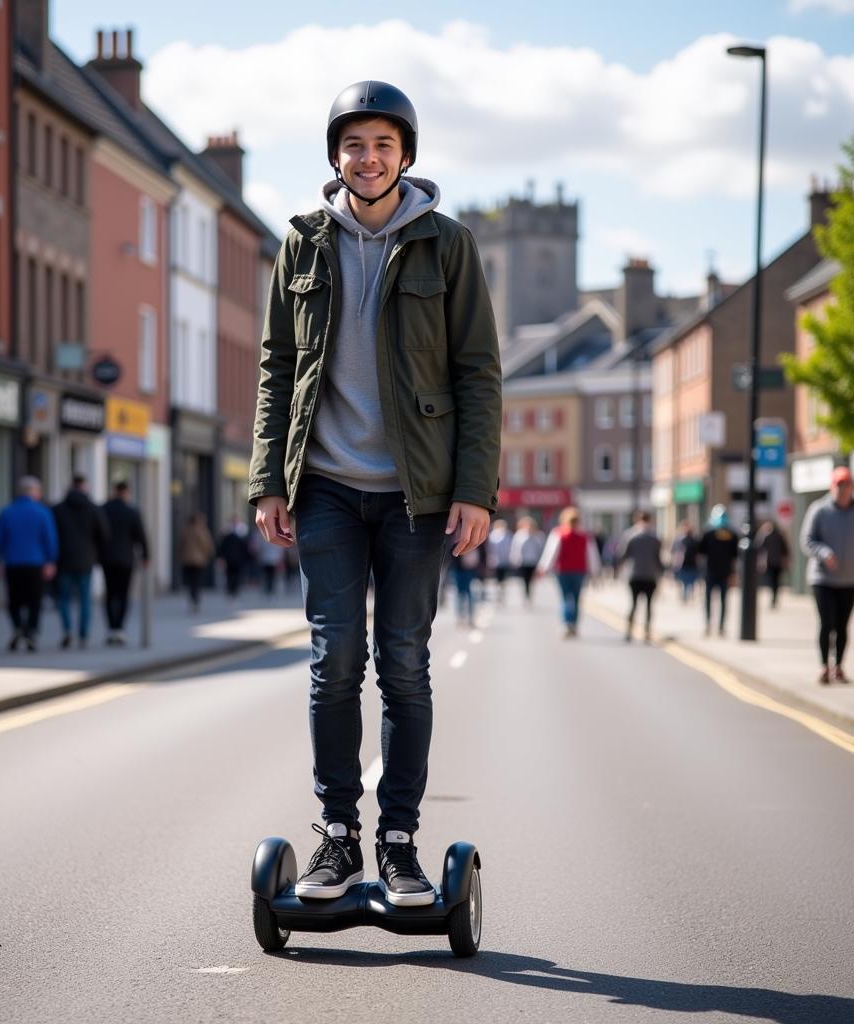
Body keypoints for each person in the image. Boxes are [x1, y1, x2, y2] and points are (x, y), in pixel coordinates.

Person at [249, 81, 501, 906]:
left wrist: (475, 489)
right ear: (336, 156)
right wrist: (267, 481)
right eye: (354, 144)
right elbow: (277, 369)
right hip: (321, 485)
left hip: (414, 494)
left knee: (404, 666)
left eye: (384, 145)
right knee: (334, 664)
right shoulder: (301, 245)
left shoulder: (448, 246)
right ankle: (336, 837)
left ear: (406, 155)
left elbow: (478, 375)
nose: (368, 158)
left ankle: (397, 840)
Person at [799, 466, 854, 685]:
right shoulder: (819, 510)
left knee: (842, 626)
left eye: (847, 485)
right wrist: (824, 553)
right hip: (822, 578)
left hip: (849, 578)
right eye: (839, 485)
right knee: (827, 623)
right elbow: (807, 540)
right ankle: (824, 665)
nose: (843, 490)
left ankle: (838, 666)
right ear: (832, 487)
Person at [0, 476, 58, 652]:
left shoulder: (7, 512)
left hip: (13, 563)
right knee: (34, 601)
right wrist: (50, 561)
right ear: (34, 492)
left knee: (14, 600)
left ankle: (17, 627)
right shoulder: (42, 512)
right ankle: (31, 632)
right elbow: (49, 539)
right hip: (35, 563)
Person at [52, 474, 109, 649]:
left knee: (64, 598)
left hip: (64, 560)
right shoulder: (93, 508)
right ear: (84, 486)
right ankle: (83, 634)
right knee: (85, 599)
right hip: (86, 560)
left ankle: (67, 630)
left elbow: (52, 535)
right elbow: (105, 534)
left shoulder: (58, 509)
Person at [537, 507, 602, 638]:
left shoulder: (558, 533)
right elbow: (592, 556)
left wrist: (543, 568)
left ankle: (567, 624)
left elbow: (551, 553)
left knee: (566, 597)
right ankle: (574, 624)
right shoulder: (585, 536)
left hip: (563, 571)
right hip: (579, 571)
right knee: (577, 598)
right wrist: (595, 573)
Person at [101, 480, 149, 646]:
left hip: (107, 559)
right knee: (123, 595)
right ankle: (119, 628)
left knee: (109, 594)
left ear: (115, 491)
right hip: (126, 560)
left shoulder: (104, 509)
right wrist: (146, 556)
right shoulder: (132, 511)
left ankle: (111, 628)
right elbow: (141, 536)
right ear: (126, 492)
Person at [618, 510, 664, 643]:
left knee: (633, 604)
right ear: (650, 520)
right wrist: (661, 573)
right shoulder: (654, 537)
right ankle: (647, 631)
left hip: (634, 574)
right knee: (649, 605)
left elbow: (623, 555)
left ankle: (628, 631)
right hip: (650, 575)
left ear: (637, 520)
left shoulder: (630, 535)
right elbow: (658, 559)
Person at [698, 504, 739, 638]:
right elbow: (735, 555)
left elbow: (700, 551)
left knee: (711, 600)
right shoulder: (731, 534)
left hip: (712, 572)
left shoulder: (708, 532)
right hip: (722, 572)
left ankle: (711, 625)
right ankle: (719, 626)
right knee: (722, 600)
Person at [179, 511, 215, 613]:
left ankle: (192, 598)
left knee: (190, 581)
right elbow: (207, 545)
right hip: (199, 560)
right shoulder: (201, 530)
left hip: (187, 560)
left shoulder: (185, 530)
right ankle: (195, 600)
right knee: (197, 581)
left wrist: (181, 555)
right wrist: (208, 555)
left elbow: (180, 545)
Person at [755, 518, 790, 609]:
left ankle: (774, 598)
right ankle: (774, 598)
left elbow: (758, 547)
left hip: (773, 562)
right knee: (774, 582)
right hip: (773, 562)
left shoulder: (769, 536)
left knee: (773, 581)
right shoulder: (777, 535)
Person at [510, 515, 545, 605]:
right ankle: (526, 595)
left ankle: (529, 595)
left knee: (531, 580)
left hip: (534, 561)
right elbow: (515, 548)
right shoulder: (519, 535)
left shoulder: (538, 535)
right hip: (523, 562)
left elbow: (541, 549)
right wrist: (514, 559)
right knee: (525, 580)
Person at [217, 519, 250, 600]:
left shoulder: (239, 536)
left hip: (233, 559)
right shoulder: (234, 536)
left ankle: (232, 590)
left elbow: (222, 548)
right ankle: (232, 590)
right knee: (233, 575)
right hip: (233, 559)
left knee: (232, 575)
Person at [671, 521, 700, 603]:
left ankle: (687, 596)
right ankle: (685, 596)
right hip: (682, 565)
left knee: (690, 582)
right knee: (683, 582)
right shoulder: (678, 540)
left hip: (692, 565)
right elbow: (674, 552)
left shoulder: (694, 541)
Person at [486, 518, 514, 604]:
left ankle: (501, 592)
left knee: (503, 578)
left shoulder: (508, 535)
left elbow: (511, 547)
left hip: (505, 560)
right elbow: (489, 549)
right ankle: (498, 593)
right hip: (495, 560)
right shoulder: (492, 536)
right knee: (497, 578)